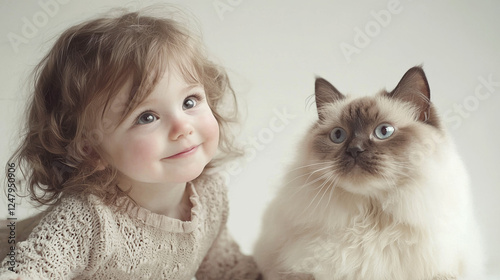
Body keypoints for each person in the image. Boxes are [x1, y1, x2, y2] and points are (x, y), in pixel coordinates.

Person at [0, 7, 259, 280]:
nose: (183, 127)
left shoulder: (209, 195)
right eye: (147, 117)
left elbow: (226, 269)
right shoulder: (89, 220)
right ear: (90, 150)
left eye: (189, 101)